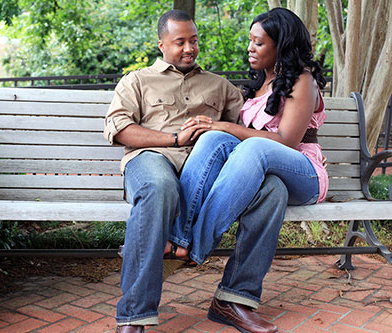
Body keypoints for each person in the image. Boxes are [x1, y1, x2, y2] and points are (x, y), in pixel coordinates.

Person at [104, 9, 288, 333]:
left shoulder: (220, 87)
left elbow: (251, 126)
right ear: (161, 44)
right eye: (180, 42)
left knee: (273, 190)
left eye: (194, 41)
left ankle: (234, 299)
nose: (189, 48)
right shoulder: (137, 80)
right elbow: (119, 129)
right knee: (159, 189)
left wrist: (307, 143)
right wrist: (174, 138)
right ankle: (134, 316)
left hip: (207, 171)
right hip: (152, 159)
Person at [166, 7, 328, 333]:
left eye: (259, 43)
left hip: (304, 172)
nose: (250, 48)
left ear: (281, 47)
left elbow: (284, 141)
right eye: (250, 41)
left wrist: (227, 125)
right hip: (273, 178)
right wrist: (212, 126)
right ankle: (228, 295)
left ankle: (195, 245)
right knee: (235, 157)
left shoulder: (303, 81)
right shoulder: (257, 85)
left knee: (248, 143)